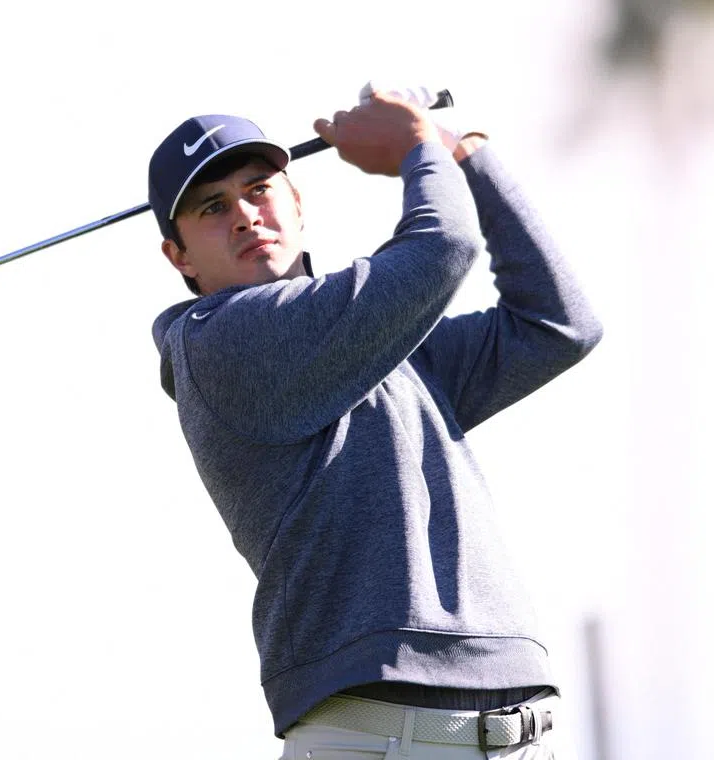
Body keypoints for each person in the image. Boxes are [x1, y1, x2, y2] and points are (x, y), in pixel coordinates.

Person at [147, 86, 603, 759]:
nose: (245, 215)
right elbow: (441, 247)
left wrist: (465, 156)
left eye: (259, 189)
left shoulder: (382, 343)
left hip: (517, 734)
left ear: (298, 203)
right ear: (179, 257)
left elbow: (559, 325)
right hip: (379, 739)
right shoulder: (219, 341)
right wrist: (419, 147)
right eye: (213, 208)